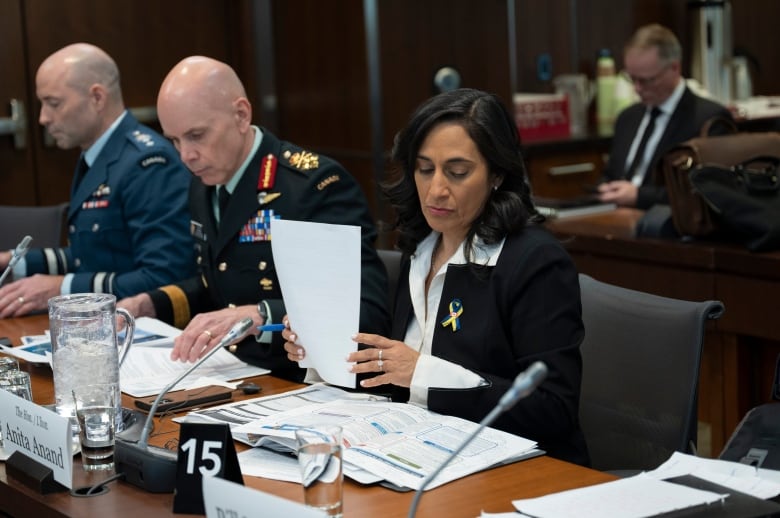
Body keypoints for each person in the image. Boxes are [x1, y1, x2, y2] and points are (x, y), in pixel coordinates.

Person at [284, 88, 590, 465]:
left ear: (496, 174)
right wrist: (319, 348)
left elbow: (553, 410)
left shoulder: (536, 262)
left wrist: (422, 373)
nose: (436, 189)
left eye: (457, 172)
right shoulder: (422, 246)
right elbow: (396, 372)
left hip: (519, 470)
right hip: (420, 451)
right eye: (425, 169)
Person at [119, 56, 389, 382]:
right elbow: (220, 286)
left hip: (295, 380)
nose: (185, 155)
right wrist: (151, 304)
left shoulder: (312, 186)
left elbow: (365, 314)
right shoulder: (204, 184)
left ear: (241, 115)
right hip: (233, 375)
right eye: (174, 140)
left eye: (196, 135)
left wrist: (261, 315)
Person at [0, 43, 194, 317]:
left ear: (97, 98)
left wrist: (63, 288)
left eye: (53, 103)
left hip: (143, 333)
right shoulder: (97, 153)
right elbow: (94, 252)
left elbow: (163, 277)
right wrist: (13, 261)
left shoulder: (148, 164)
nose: (43, 118)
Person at [598, 24, 734, 209]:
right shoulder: (627, 118)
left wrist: (639, 196)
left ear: (674, 68)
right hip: (614, 217)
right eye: (632, 79)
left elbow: (706, 192)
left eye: (646, 80)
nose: (637, 89)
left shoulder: (707, 119)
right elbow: (611, 175)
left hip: (668, 223)